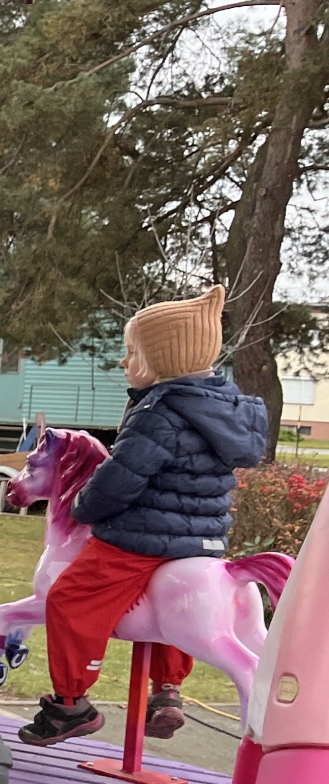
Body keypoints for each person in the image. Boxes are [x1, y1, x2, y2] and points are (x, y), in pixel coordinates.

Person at [22, 287, 267, 744]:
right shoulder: (226, 410)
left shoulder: (159, 412)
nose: (124, 361)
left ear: (162, 360)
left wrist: (84, 506)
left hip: (142, 535)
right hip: (205, 541)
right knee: (169, 605)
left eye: (133, 352)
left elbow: (122, 477)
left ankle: (70, 704)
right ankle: (167, 690)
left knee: (69, 598)